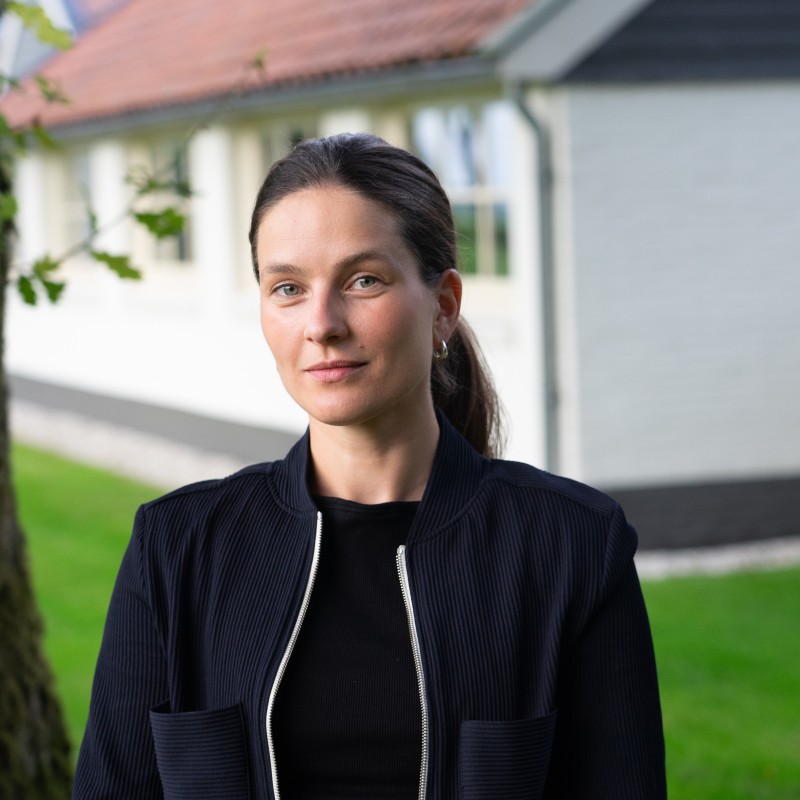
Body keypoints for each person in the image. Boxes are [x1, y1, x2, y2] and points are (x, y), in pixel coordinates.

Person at [74, 133, 666, 799]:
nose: (321, 324)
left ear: (444, 306)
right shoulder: (176, 548)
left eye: (363, 281)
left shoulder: (571, 546)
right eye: (288, 288)